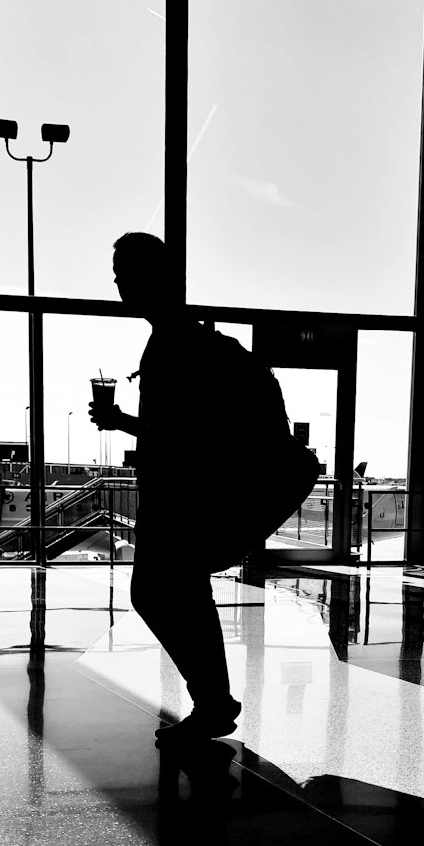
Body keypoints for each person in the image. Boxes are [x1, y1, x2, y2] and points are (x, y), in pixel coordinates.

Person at [89, 231, 315, 747]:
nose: (120, 281)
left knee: (156, 592)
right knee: (177, 593)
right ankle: (213, 700)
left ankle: (213, 700)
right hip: (183, 498)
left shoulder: (175, 344)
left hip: (183, 500)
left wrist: (124, 422)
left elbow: (185, 435)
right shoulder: (179, 340)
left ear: (155, 277)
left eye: (127, 271)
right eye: (119, 272)